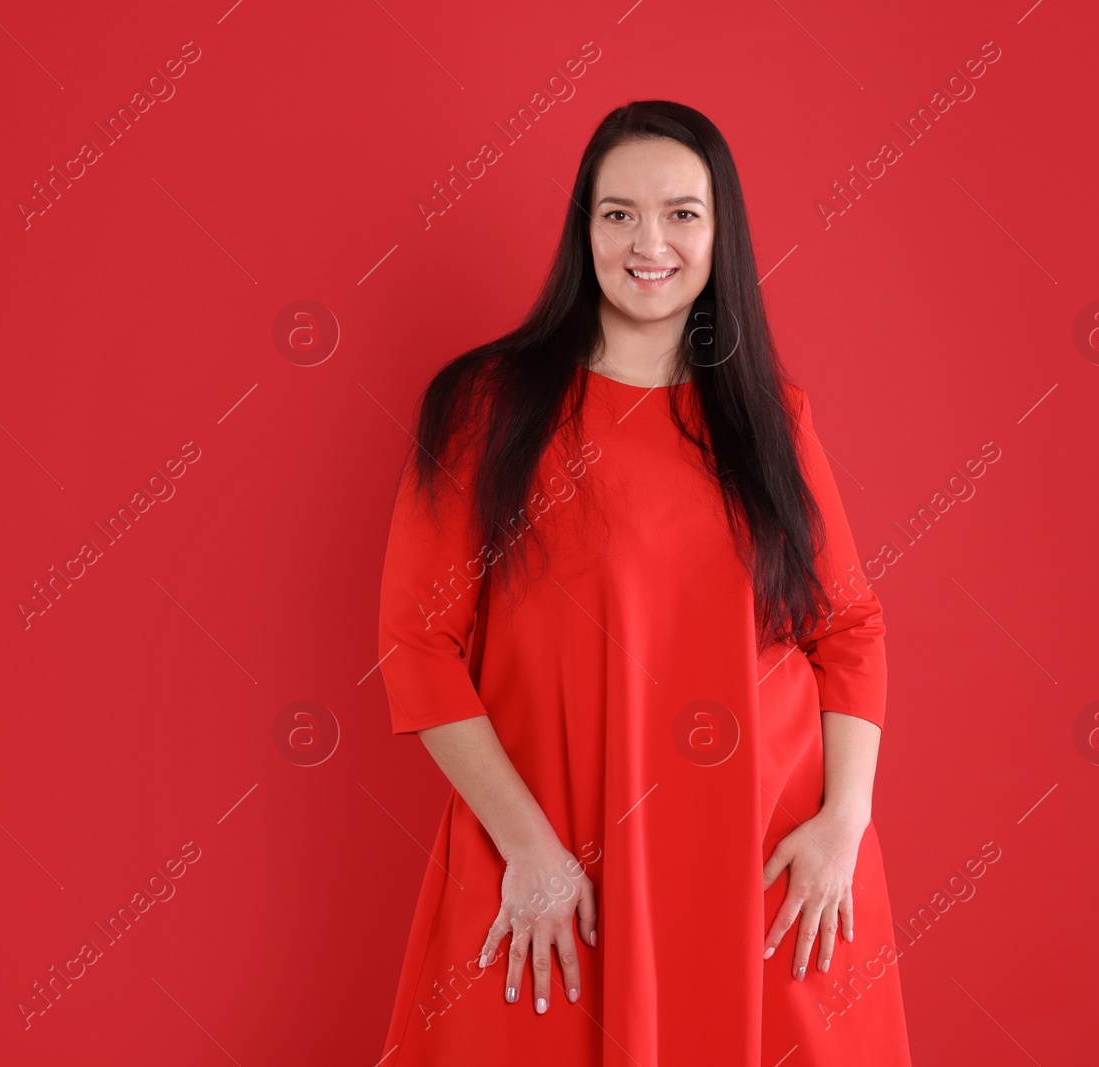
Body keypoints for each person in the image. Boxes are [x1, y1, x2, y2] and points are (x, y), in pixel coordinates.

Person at [376, 100, 912, 1066]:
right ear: (583, 230)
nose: (649, 242)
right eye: (618, 213)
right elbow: (416, 645)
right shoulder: (482, 409)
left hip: (762, 873)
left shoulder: (770, 421)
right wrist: (528, 850)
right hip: (552, 867)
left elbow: (852, 627)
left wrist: (844, 822)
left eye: (682, 213)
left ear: (721, 234)